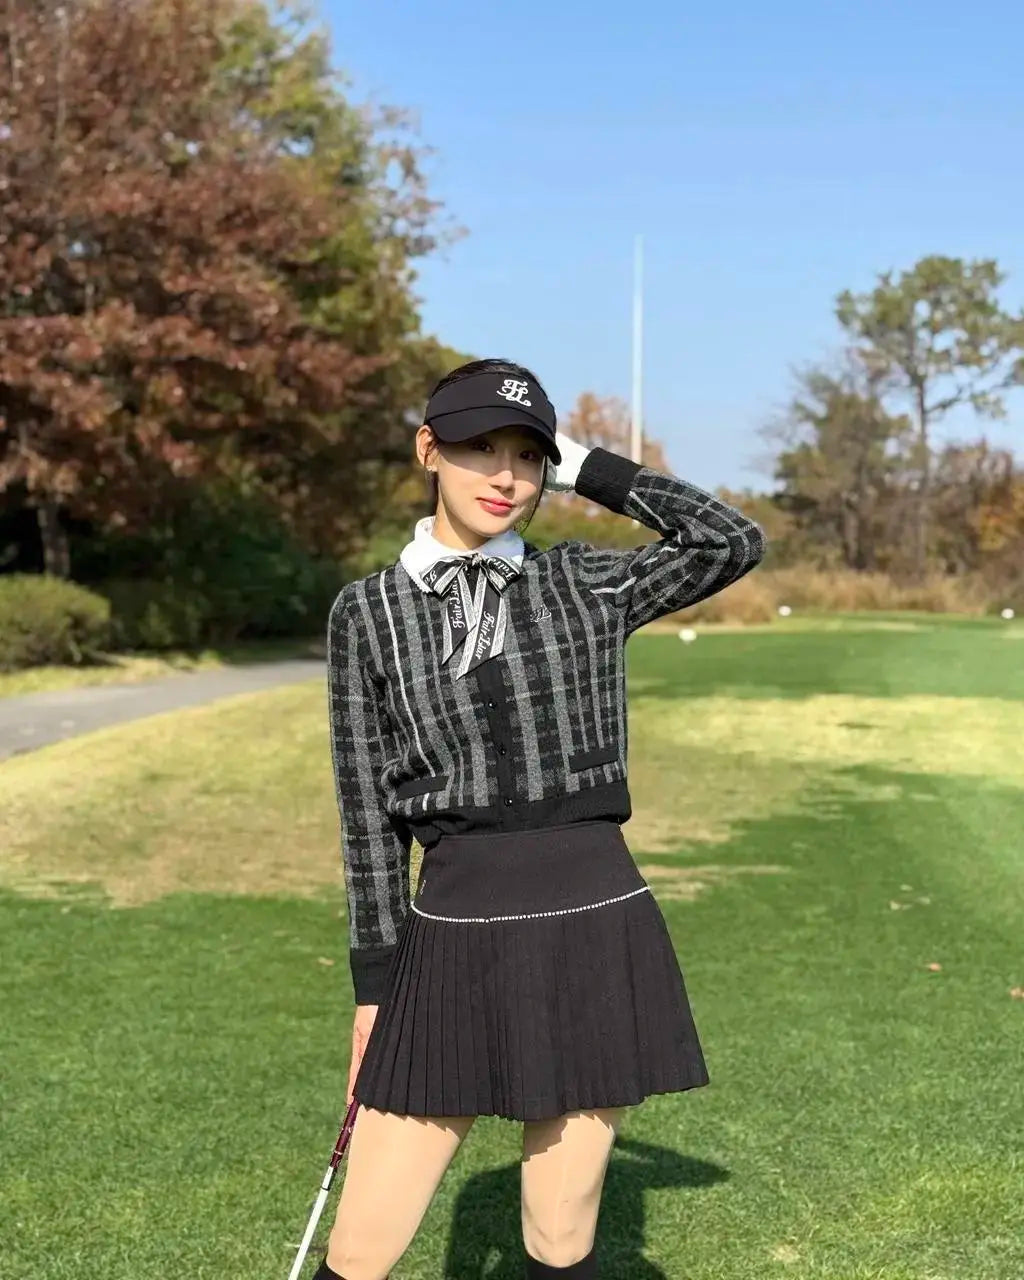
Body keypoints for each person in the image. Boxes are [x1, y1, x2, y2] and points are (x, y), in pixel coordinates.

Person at [316, 358, 767, 1279]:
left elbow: (729, 540)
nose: (506, 476)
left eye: (528, 455)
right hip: (450, 934)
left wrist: (586, 465)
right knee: (361, 1249)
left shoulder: (582, 582)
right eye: (480, 448)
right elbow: (366, 815)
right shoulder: (367, 612)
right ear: (428, 450)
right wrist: (373, 985)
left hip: (592, 924)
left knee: (559, 1240)